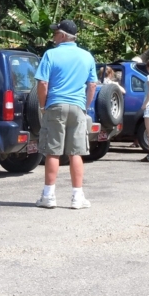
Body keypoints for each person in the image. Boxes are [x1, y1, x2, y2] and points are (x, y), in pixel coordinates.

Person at [35, 19, 97, 209]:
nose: (53, 37)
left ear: (63, 36)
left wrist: (43, 106)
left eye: (55, 33)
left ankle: (49, 196)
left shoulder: (50, 55)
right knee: (75, 152)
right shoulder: (87, 56)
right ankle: (77, 198)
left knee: (52, 151)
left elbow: (43, 83)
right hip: (77, 107)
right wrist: (84, 106)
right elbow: (92, 85)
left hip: (56, 105)